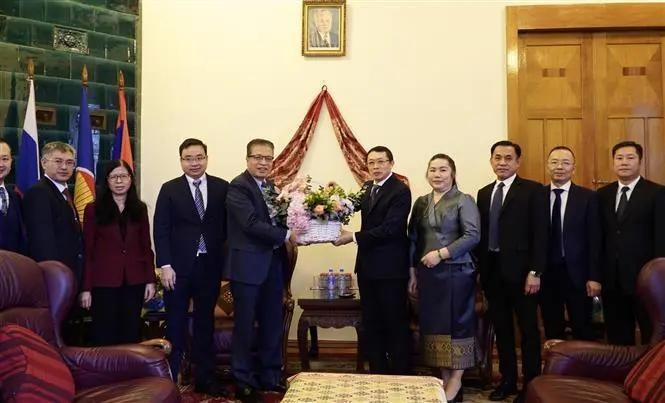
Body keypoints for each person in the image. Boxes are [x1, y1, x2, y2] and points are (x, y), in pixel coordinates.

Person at [153, 138, 228, 397]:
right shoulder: (169, 189)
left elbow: (227, 230)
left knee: (205, 324)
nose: (194, 163)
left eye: (199, 157)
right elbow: (160, 229)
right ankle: (170, 379)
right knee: (175, 324)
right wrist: (165, 265)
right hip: (178, 269)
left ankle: (205, 378)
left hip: (209, 267)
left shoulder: (222, 187)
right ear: (181, 160)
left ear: (207, 158)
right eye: (188, 158)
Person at [474, 140, 548, 403]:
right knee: (502, 330)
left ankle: (530, 385)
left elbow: (541, 235)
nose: (502, 162)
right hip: (493, 274)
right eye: (497, 157)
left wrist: (535, 272)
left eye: (508, 158)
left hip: (523, 275)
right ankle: (506, 381)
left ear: (518, 162)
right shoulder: (484, 193)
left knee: (528, 331)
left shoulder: (533, 190)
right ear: (491, 160)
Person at [227, 139, 298, 402]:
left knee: (271, 323)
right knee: (245, 326)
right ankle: (243, 380)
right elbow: (250, 223)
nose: (263, 162)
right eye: (257, 157)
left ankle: (270, 376)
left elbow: (282, 218)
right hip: (246, 267)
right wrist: (288, 234)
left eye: (268, 158)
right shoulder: (238, 186)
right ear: (247, 159)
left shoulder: (272, 187)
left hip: (272, 266)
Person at [407, 154, 480, 402]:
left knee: (457, 325)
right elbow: (413, 240)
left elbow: (472, 235)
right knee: (436, 327)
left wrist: (441, 253)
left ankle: (456, 380)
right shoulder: (420, 203)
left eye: (443, 170)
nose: (437, 174)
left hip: (457, 272)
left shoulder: (464, 200)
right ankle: (444, 377)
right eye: (433, 170)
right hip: (428, 276)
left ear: (453, 173)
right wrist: (412, 272)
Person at [334, 146, 412, 375]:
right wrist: (331, 200)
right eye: (371, 163)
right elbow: (346, 206)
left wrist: (353, 237)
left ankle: (400, 374)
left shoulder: (400, 191)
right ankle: (377, 372)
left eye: (381, 162)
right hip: (367, 267)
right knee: (371, 321)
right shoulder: (367, 187)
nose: (376, 167)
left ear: (391, 163)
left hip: (390, 269)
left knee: (394, 322)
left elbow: (390, 229)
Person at [79, 160, 156, 346]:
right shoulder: (93, 209)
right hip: (104, 282)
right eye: (114, 177)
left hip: (134, 281)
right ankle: (106, 373)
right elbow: (88, 250)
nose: (119, 181)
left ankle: (130, 373)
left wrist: (150, 279)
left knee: (131, 331)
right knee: (104, 332)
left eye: (124, 176)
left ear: (131, 180)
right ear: (107, 181)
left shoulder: (140, 209)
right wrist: (86, 288)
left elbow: (146, 246)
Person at [597, 140, 665, 345]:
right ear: (613, 162)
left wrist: (658, 276)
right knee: (617, 336)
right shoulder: (602, 195)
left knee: (650, 333)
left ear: (640, 161)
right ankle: (621, 376)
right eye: (619, 158)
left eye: (630, 158)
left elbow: (661, 237)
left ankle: (648, 376)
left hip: (644, 279)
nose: (624, 162)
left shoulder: (657, 193)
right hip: (611, 279)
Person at [540, 146, 601, 341]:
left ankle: (583, 370)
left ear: (573, 168)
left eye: (565, 163)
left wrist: (594, 276)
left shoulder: (588, 197)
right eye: (554, 162)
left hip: (579, 274)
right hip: (547, 273)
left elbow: (595, 239)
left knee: (582, 327)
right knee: (552, 327)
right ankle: (555, 368)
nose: (560, 167)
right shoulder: (536, 196)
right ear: (547, 166)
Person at [23, 141, 83, 286]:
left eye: (69, 162)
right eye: (58, 161)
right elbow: (42, 242)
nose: (64, 167)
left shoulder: (65, 192)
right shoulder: (39, 192)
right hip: (54, 277)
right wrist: (55, 276)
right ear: (43, 163)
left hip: (71, 273)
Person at [0, 139, 25, 253]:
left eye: (5, 159)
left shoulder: (15, 196)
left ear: (11, 161)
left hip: (13, 268)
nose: (1, 164)